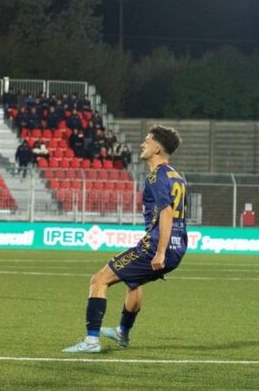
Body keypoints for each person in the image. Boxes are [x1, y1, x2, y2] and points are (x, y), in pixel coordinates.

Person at [63, 125, 186, 353]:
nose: (142, 144)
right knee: (134, 282)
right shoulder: (176, 177)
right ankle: (122, 332)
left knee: (99, 280)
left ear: (157, 149)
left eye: (147, 141)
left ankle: (91, 341)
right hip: (177, 248)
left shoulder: (156, 176)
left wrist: (159, 252)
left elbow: (167, 212)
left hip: (156, 247)